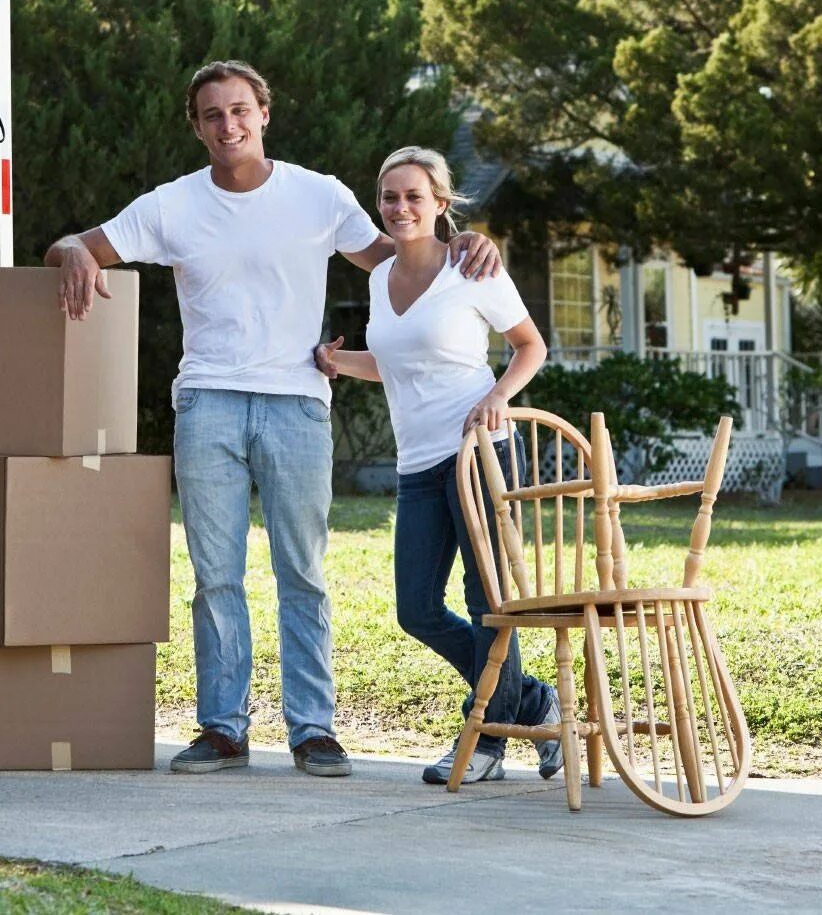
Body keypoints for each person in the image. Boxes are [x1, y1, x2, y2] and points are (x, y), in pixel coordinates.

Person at [45, 62, 500, 777]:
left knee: (303, 572)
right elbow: (78, 244)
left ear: (265, 114)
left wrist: (470, 242)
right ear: (196, 127)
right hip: (207, 403)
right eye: (212, 115)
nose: (229, 126)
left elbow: (407, 255)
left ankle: (313, 728)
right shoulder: (172, 205)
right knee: (216, 573)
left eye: (240, 111)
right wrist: (70, 249)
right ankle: (223, 727)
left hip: (296, 404)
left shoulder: (317, 196)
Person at [314, 146, 560, 785]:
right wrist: (339, 363)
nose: (400, 207)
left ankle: (486, 743)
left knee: (488, 605)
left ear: (441, 205)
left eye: (414, 196)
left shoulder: (471, 269)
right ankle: (529, 702)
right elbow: (397, 362)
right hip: (418, 464)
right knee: (416, 609)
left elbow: (530, 347)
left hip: (480, 457)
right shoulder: (378, 278)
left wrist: (496, 397)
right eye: (390, 197)